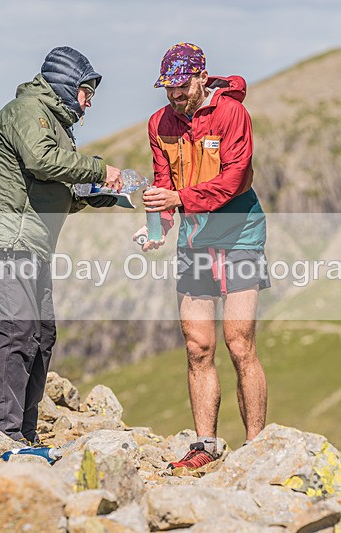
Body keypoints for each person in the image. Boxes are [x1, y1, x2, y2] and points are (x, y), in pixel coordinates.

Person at [0, 46, 122, 444]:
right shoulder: (27, 112)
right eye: (86, 92)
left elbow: (44, 188)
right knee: (18, 331)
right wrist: (100, 168)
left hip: (31, 246)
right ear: (66, 85)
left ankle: (24, 432)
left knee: (41, 335)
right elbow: (42, 160)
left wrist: (91, 196)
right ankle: (1, 435)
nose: (89, 102)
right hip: (8, 241)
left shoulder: (52, 122)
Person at [133, 42, 269, 468]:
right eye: (167, 88)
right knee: (197, 346)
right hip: (194, 239)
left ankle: (256, 447)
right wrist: (158, 224)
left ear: (200, 77)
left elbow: (235, 179)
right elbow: (163, 185)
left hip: (239, 232)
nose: (174, 96)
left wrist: (177, 197)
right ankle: (205, 446)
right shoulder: (159, 123)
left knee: (239, 343)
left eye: (180, 86)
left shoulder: (232, 114)